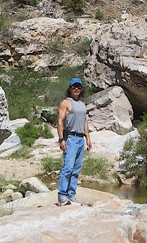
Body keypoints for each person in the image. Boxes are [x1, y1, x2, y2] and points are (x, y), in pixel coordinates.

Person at [56, 77, 92, 206]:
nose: (76, 89)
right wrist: (61, 139)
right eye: (74, 86)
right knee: (68, 168)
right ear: (70, 88)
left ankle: (71, 194)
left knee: (76, 169)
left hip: (80, 139)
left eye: (78, 86)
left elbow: (85, 122)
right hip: (70, 138)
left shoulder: (82, 104)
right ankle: (62, 195)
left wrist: (88, 138)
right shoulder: (66, 103)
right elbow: (60, 121)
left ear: (81, 89)